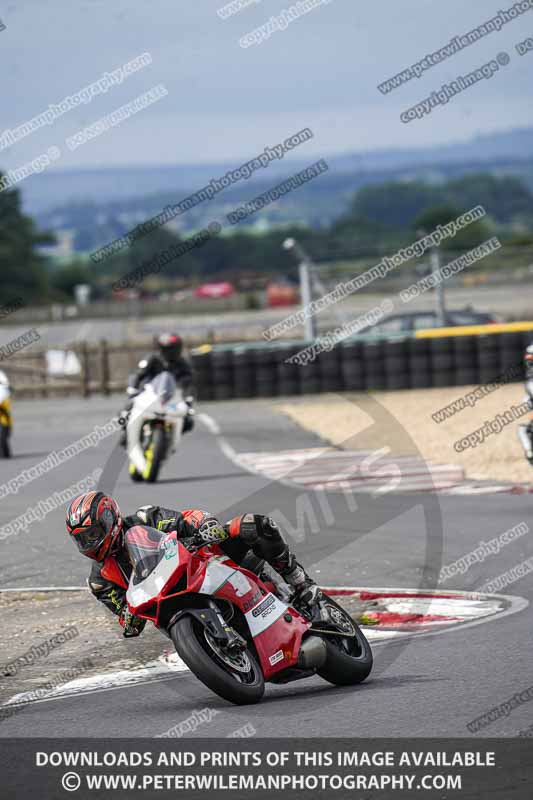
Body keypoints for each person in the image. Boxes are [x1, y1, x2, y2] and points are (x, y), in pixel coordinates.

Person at [65, 492, 321, 637]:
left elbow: (186, 519)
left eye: (93, 534)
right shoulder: (100, 581)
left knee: (253, 525)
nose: (90, 543)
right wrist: (128, 618)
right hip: (172, 606)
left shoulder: (146, 518)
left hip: (203, 563)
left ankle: (299, 581)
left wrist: (205, 525)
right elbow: (126, 618)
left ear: (110, 520)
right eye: (82, 540)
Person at [119, 333, 195, 445]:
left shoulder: (182, 363)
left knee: (188, 421)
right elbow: (138, 375)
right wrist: (133, 390)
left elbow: (189, 382)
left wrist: (188, 399)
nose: (170, 352)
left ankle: (170, 436)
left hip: (171, 397)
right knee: (129, 407)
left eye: (172, 349)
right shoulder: (152, 359)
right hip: (148, 393)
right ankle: (126, 432)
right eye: (167, 349)